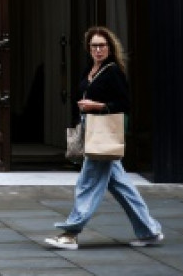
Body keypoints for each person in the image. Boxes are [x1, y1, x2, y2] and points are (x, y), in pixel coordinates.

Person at [44, 26, 163, 250]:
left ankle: (71, 232)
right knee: (122, 186)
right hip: (91, 130)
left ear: (110, 47)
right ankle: (149, 231)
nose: (98, 49)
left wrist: (97, 106)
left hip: (103, 132)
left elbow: (125, 105)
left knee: (87, 184)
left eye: (102, 45)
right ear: (88, 49)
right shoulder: (90, 69)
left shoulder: (113, 71)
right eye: (94, 46)